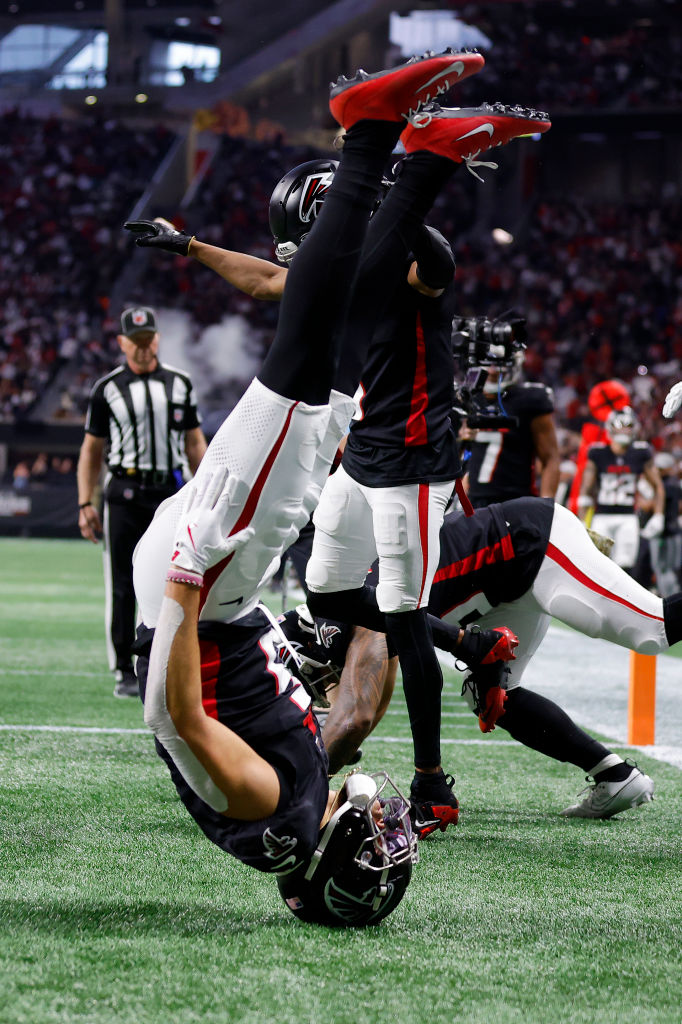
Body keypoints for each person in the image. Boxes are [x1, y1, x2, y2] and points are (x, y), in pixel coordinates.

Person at [128, 49, 493, 926]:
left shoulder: (273, 815)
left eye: (371, 850)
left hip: (202, 595)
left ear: (330, 864)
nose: (382, 832)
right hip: (223, 601)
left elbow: (175, 719)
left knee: (303, 370)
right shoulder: (299, 813)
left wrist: (186, 580)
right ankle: (426, 161)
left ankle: (373, 135)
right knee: (329, 363)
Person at [280, 495, 681, 825]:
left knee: (652, 630)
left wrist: (298, 795)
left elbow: (356, 718)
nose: (318, 691)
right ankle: (615, 775)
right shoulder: (351, 613)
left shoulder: (365, 619)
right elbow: (361, 708)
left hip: (529, 545)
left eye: (313, 679)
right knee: (493, 694)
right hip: (499, 589)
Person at [77, 306, 207, 697]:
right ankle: (123, 670)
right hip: (124, 495)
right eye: (134, 341)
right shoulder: (107, 389)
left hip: (169, 493)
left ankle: (176, 661)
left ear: (157, 339)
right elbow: (91, 450)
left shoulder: (181, 384)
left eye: (148, 339)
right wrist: (87, 502)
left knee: (180, 580)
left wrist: (205, 491)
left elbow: (194, 441)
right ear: (121, 343)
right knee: (122, 585)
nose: (143, 347)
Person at [459, 348, 561, 507]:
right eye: (488, 363)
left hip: (516, 501)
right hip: (473, 502)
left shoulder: (529, 399)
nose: (493, 371)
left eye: (499, 364)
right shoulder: (467, 399)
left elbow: (550, 458)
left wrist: (546, 506)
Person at [578, 406, 664, 573]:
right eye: (620, 425)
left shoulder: (640, 453)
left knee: (625, 567)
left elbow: (658, 486)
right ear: (611, 427)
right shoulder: (598, 452)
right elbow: (586, 488)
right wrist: (582, 519)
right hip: (602, 516)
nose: (624, 429)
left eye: (628, 425)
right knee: (597, 567)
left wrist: (659, 515)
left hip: (628, 517)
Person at [647, 451, 682, 597]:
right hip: (673, 531)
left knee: (663, 569)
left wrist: (642, 502)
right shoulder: (675, 484)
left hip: (664, 534)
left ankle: (669, 599)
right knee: (670, 569)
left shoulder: (665, 486)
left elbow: (650, 506)